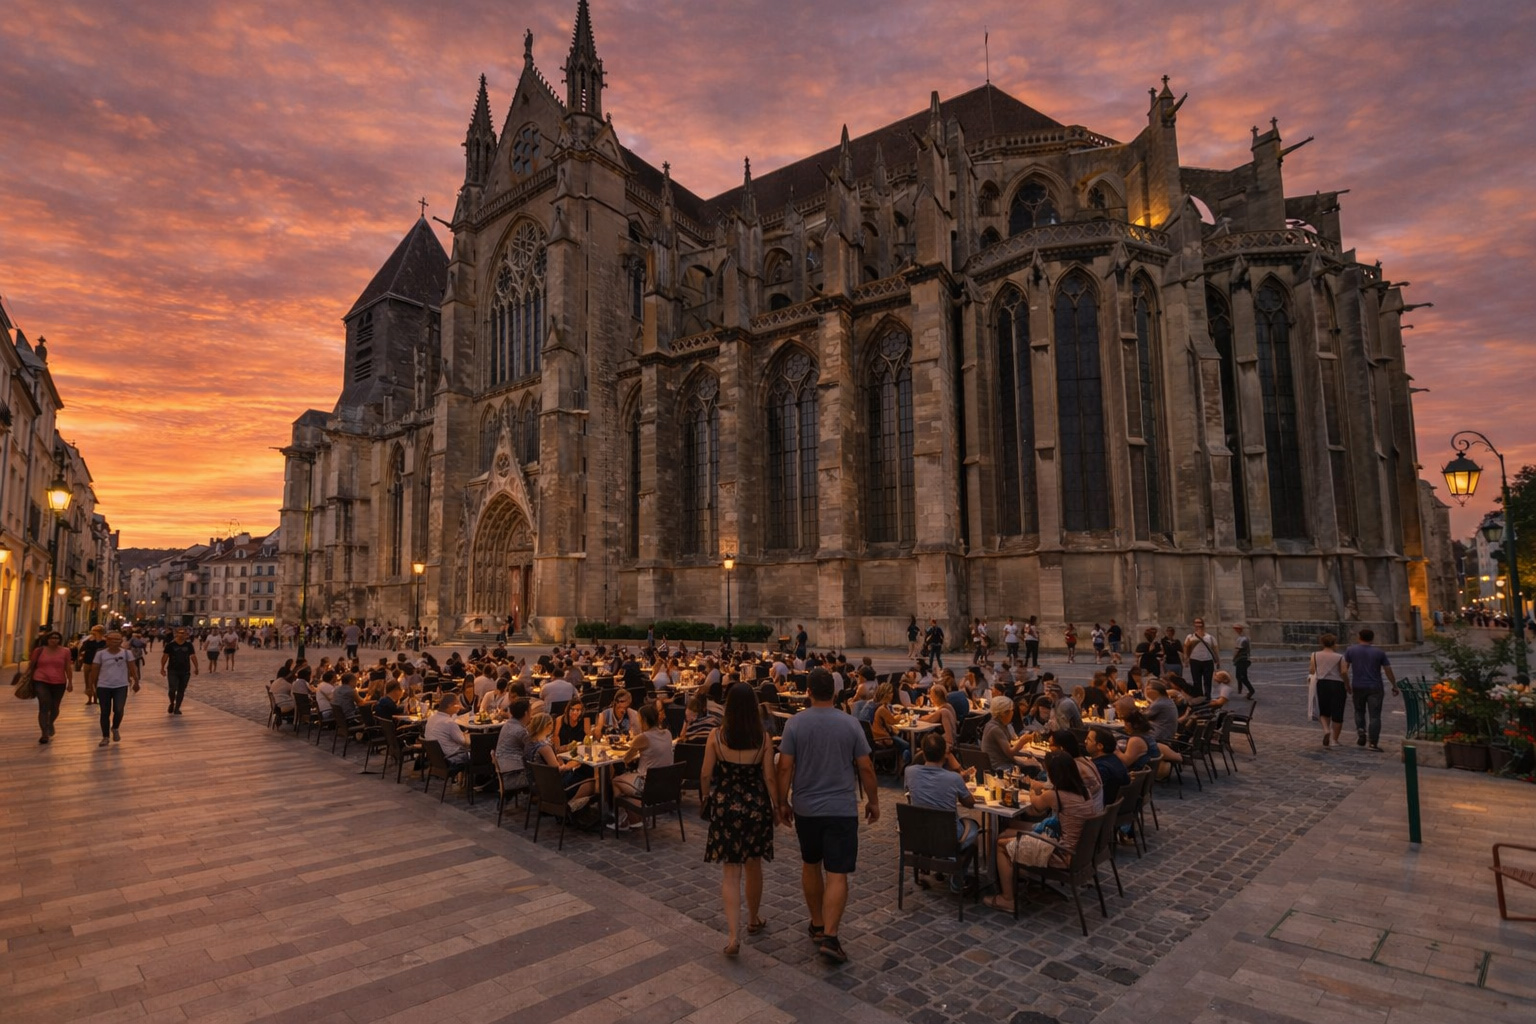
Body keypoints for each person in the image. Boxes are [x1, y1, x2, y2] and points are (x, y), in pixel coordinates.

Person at [776, 667, 878, 965]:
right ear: (835, 693)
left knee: (811, 863)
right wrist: (873, 801)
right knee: (837, 872)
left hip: (807, 807)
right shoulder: (851, 724)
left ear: (807, 692)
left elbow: (784, 767)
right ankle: (831, 936)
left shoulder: (795, 724)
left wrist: (781, 801)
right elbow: (866, 767)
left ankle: (818, 923)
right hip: (842, 808)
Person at [701, 682, 776, 956]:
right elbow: (769, 776)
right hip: (755, 804)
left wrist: (706, 796)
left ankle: (733, 936)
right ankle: (753, 919)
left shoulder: (716, 737)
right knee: (754, 863)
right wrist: (778, 805)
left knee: (730, 872)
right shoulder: (764, 738)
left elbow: (706, 773)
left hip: (725, 804)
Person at [989, 749, 1103, 912]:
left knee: (1001, 844)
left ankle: (1007, 898)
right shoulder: (1084, 791)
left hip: (1062, 853)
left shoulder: (1056, 795)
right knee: (1007, 831)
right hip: (1081, 851)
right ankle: (1015, 875)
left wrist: (1030, 787)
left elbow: (1035, 806)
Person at [904, 732, 979, 892]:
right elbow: (970, 803)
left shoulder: (909, 772)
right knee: (974, 828)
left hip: (920, 834)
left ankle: (936, 865)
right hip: (948, 836)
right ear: (945, 754)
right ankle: (957, 879)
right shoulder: (953, 778)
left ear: (923, 752)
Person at [611, 703, 675, 831]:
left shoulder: (643, 737)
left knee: (616, 781)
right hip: (667, 784)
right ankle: (635, 817)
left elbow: (626, 759)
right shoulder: (667, 733)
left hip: (647, 785)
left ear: (644, 720)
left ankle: (628, 819)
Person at [1342, 628, 1396, 751]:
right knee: (1375, 716)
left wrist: (1347, 684)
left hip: (1358, 685)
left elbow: (1344, 670)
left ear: (1359, 637)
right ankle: (1373, 743)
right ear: (1372, 638)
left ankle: (1361, 731)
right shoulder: (1379, 652)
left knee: (1359, 711)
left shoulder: (1351, 650)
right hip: (1375, 687)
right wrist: (1394, 685)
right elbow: (1388, 669)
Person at [88, 631, 141, 747]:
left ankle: (115, 727)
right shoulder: (101, 654)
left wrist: (136, 682)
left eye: (118, 640)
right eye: (112, 639)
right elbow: (94, 670)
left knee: (119, 709)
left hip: (121, 685)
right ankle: (105, 736)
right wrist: (90, 686)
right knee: (104, 712)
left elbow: (133, 668)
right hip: (103, 686)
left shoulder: (127, 653)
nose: (115, 642)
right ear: (107, 641)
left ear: (121, 641)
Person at [29, 630, 73, 744]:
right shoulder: (39, 651)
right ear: (47, 639)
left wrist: (70, 682)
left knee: (55, 707)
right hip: (40, 680)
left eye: (56, 638)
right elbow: (31, 665)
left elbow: (68, 667)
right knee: (44, 705)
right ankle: (44, 733)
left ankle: (50, 723)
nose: (54, 640)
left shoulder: (65, 651)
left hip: (59, 682)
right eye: (51, 638)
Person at [1310, 633, 1350, 748]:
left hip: (1322, 684)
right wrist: (1347, 685)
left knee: (1323, 710)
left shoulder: (1314, 655)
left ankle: (1326, 730)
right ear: (1334, 643)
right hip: (1337, 684)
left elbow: (1312, 670)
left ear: (1322, 643)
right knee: (1338, 712)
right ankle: (1334, 740)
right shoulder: (1340, 657)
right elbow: (1343, 672)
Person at [981, 695, 1037, 774]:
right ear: (1004, 713)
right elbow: (1010, 752)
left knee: (1034, 765)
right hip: (999, 766)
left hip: (1006, 761)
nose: (1013, 713)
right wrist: (1022, 741)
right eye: (1012, 710)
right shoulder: (995, 728)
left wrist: (1027, 755)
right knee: (1033, 770)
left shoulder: (1004, 725)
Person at [424, 692, 471, 770]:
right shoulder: (449, 722)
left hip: (437, 758)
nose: (459, 706)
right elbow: (465, 743)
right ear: (450, 705)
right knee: (478, 752)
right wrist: (467, 735)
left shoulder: (431, 718)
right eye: (457, 703)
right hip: (451, 758)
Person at [494, 697, 532, 791]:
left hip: (504, 772)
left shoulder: (507, 725)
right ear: (526, 713)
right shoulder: (520, 731)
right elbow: (532, 750)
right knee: (544, 776)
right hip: (513, 776)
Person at [1085, 726, 1129, 805]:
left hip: (1104, 810)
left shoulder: (1100, 768)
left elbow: (1090, 793)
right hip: (1119, 806)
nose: (1085, 741)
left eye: (1089, 740)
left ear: (1100, 746)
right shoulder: (1115, 759)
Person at [160, 627, 199, 715]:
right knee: (172, 689)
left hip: (185, 671)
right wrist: (162, 668)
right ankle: (171, 703)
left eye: (184, 633)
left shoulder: (189, 645)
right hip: (173, 670)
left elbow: (193, 656)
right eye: (180, 633)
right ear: (176, 634)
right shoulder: (170, 645)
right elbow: (165, 657)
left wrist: (196, 667)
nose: (183, 635)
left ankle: (177, 708)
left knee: (181, 690)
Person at [869, 682, 909, 767]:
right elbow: (893, 721)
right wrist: (900, 717)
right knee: (907, 745)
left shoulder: (879, 706)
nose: (892, 694)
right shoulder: (882, 709)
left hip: (878, 737)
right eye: (890, 692)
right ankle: (904, 765)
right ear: (886, 694)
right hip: (883, 738)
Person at [1183, 618, 1219, 699]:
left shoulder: (1210, 637)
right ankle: (1199, 697)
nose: (1198, 624)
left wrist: (1217, 660)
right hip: (1195, 661)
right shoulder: (1190, 637)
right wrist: (1186, 658)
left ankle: (1207, 697)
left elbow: (1215, 649)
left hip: (1208, 661)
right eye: (1196, 623)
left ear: (1203, 624)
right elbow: (1186, 647)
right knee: (1196, 681)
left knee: (1208, 681)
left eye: (1200, 623)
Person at [77, 625, 108, 706]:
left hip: (99, 663)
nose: (94, 633)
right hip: (88, 661)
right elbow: (82, 649)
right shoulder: (88, 640)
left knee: (97, 681)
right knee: (88, 681)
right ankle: (89, 698)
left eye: (96, 631)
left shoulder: (105, 641)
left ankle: (96, 697)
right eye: (94, 631)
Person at [1231, 623, 1255, 697]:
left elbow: (1237, 650)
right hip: (1240, 659)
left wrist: (1233, 658)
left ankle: (1251, 690)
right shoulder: (1241, 638)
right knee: (1239, 676)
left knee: (1242, 676)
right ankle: (1239, 690)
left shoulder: (1243, 639)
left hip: (1242, 660)